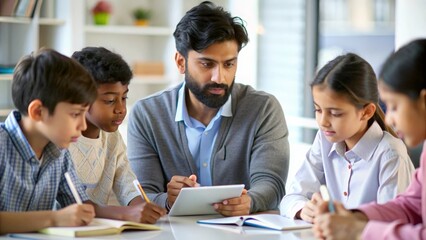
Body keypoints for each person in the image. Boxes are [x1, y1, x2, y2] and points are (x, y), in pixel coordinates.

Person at [127, 1, 289, 216]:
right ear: (180, 63)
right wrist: (168, 199)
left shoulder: (263, 109)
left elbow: (271, 184)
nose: (219, 77)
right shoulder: (147, 114)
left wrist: (249, 201)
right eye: (207, 64)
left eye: (229, 64)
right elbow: (144, 194)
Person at [280, 53, 414, 223]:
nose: (323, 122)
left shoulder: (390, 154)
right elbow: (291, 197)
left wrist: (347, 224)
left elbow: (390, 224)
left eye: (335, 113)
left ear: (366, 112)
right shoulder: (324, 140)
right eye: (318, 110)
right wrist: (304, 209)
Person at [314, 39, 426, 239]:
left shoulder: (390, 152)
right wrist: (353, 217)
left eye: (394, 106)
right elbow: (410, 206)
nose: (389, 118)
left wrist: (358, 230)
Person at [0, 49, 97, 234]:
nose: (83, 125)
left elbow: (77, 205)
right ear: (37, 111)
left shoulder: (61, 153)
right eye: (76, 114)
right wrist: (55, 218)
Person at [69, 47, 166, 222]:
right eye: (110, 101)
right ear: (80, 97)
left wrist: (141, 206)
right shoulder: (64, 139)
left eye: (124, 98)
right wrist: (124, 213)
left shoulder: (112, 138)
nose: (121, 109)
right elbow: (69, 201)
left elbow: (126, 182)